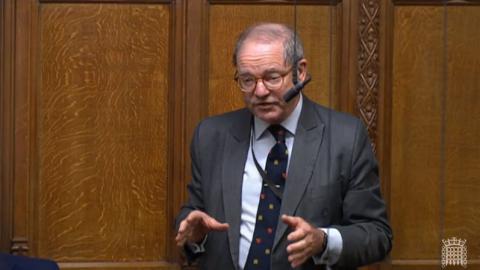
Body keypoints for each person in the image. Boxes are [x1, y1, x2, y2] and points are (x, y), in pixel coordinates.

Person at [175, 23, 392, 270]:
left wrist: (322, 240)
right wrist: (195, 234)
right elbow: (194, 215)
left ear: (300, 71)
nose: (259, 91)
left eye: (272, 77)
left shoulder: (345, 137)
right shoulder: (211, 135)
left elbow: (377, 235)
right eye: (247, 80)